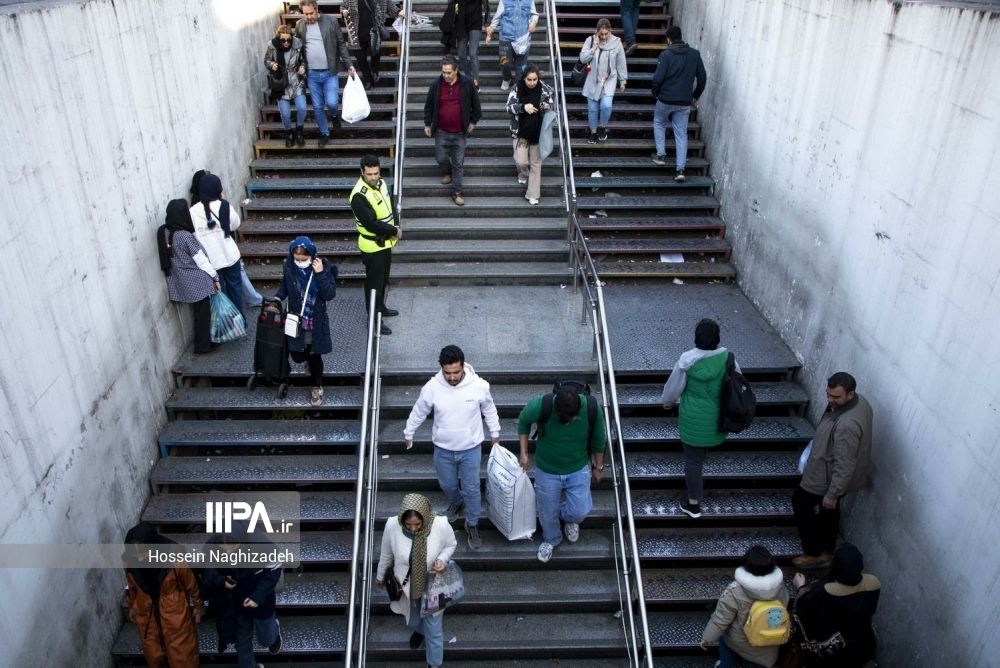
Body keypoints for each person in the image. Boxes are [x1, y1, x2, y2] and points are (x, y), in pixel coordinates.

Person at [403, 345, 501, 550]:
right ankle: (456, 500)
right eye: (448, 373)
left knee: (472, 488)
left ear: (463, 366)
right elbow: (419, 410)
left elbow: (489, 409)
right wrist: (409, 432)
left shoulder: (479, 385)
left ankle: (472, 523)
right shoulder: (432, 387)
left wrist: (495, 433)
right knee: (447, 484)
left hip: (471, 448)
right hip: (443, 449)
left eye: (456, 372)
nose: (452, 377)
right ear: (442, 369)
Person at [792, 372, 873, 568]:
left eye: (835, 397)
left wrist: (832, 493)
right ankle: (827, 549)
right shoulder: (859, 404)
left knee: (801, 502)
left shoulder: (846, 425)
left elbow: (845, 464)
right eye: (828, 394)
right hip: (831, 474)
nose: (829, 400)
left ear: (850, 394)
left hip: (825, 477)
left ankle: (814, 553)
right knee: (829, 512)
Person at [660, 318, 739, 518]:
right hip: (718, 419)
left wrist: (667, 401)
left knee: (693, 461)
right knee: (700, 454)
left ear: (696, 337)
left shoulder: (687, 360)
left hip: (693, 421)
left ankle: (693, 503)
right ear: (717, 338)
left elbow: (673, 387)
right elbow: (737, 382)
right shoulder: (728, 358)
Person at [518, 386, 606, 562]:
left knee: (580, 511)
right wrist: (523, 452)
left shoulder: (591, 408)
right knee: (546, 512)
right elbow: (523, 421)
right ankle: (551, 539)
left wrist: (599, 467)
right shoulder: (541, 405)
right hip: (547, 469)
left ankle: (569, 519)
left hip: (577, 467)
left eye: (570, 419)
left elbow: (598, 438)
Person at [376, 494, 458, 668]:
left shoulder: (441, 524)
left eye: (417, 524)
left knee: (434, 628)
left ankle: (434, 664)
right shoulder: (392, 525)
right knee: (412, 621)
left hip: (434, 585)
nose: (413, 529)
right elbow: (386, 554)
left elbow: (451, 544)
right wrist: (380, 575)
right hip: (407, 587)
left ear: (425, 518)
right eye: (408, 525)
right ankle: (422, 632)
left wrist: (442, 560)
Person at [122, 522, 203, 668]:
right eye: (136, 555)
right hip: (147, 613)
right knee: (154, 654)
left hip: (174, 612)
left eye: (144, 553)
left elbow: (191, 583)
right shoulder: (129, 561)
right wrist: (132, 606)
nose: (140, 559)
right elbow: (132, 585)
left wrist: (198, 605)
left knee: (182, 654)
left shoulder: (175, 559)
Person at [202, 529, 284, 666]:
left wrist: (257, 597)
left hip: (260, 597)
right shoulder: (211, 546)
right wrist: (221, 581)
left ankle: (274, 629)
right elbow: (208, 572)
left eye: (233, 547)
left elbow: (274, 570)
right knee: (242, 640)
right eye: (223, 548)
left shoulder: (260, 545)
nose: (228, 552)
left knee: (267, 640)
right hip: (236, 599)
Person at [273, 236, 338, 407]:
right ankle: (306, 362)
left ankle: (317, 386)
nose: (300, 262)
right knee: (297, 355)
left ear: (312, 255)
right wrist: (277, 299)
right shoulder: (289, 266)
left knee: (314, 354)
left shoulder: (324, 266)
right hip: (295, 320)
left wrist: (321, 273)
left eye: (304, 259)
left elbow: (329, 294)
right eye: (297, 259)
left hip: (314, 321)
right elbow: (284, 287)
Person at [700, 545, 790, 668]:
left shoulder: (735, 590)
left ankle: (725, 665)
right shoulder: (780, 587)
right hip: (770, 639)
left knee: (724, 636)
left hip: (742, 641)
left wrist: (708, 638)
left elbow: (721, 618)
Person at [791, 543, 881, 667]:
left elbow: (802, 610)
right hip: (864, 646)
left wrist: (801, 587)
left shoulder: (823, 592)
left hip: (834, 653)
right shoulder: (873, 584)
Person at [190, 170, 261, 309]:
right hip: (230, 257)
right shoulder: (224, 205)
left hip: (211, 262)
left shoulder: (192, 211)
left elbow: (194, 235)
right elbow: (235, 224)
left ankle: (228, 325)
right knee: (236, 290)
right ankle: (240, 322)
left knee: (221, 292)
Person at [157, 199, 219, 355]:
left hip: (180, 281)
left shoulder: (164, 232)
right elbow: (201, 260)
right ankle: (203, 346)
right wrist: (215, 277)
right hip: (198, 282)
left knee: (199, 315)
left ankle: (204, 343)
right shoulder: (184, 236)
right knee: (203, 315)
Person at [349, 155, 401, 334]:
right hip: (372, 245)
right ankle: (374, 320)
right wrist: (394, 231)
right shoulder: (358, 195)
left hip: (385, 242)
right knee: (373, 284)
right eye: (369, 174)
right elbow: (371, 223)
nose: (373, 177)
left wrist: (396, 225)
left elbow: (391, 206)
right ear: (362, 172)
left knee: (383, 280)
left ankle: (381, 308)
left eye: (376, 173)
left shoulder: (382, 183)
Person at [295, 0, 357, 147]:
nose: (308, 16)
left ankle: (335, 115)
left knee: (332, 103)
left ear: (317, 10)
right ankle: (324, 133)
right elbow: (297, 49)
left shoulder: (330, 21)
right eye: (305, 14)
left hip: (330, 71)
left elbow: (341, 44)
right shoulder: (300, 25)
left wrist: (349, 64)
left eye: (311, 13)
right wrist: (300, 66)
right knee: (317, 106)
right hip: (312, 74)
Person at [423, 55, 482, 207]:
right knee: (440, 158)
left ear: (456, 70)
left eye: (449, 72)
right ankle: (446, 171)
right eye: (443, 72)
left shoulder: (467, 84)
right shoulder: (436, 85)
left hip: (460, 132)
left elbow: (477, 106)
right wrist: (427, 124)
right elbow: (429, 105)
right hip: (441, 130)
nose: (446, 76)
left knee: (458, 163)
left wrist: (473, 122)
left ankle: (457, 192)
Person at [650, 25, 706, 181]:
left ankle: (661, 155)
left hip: (666, 99)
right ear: (681, 36)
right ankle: (680, 170)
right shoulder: (695, 54)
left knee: (659, 122)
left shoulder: (666, 55)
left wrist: (655, 93)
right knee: (681, 133)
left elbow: (657, 79)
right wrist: (695, 95)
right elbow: (702, 78)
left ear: (668, 39)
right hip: (684, 101)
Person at [505, 63, 553, 206]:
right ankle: (523, 173)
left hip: (538, 133)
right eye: (529, 80)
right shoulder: (517, 88)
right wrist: (523, 107)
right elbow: (508, 107)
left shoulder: (545, 89)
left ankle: (533, 195)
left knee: (536, 164)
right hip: (520, 132)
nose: (532, 83)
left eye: (534, 80)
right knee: (521, 161)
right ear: (524, 79)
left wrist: (545, 106)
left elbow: (551, 104)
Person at [579, 18, 627, 144]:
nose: (604, 36)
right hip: (592, 79)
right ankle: (593, 133)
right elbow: (583, 59)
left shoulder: (617, 42)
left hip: (609, 80)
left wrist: (623, 80)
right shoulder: (590, 41)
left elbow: (621, 63)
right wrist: (594, 48)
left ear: (610, 30)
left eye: (606, 33)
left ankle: (602, 126)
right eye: (601, 34)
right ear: (597, 31)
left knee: (606, 105)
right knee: (593, 109)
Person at [340, 0, 402, 89]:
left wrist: (399, 11)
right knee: (360, 58)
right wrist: (343, 12)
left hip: (374, 30)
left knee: (375, 52)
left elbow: (389, 5)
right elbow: (343, 7)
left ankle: (375, 70)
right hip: (356, 33)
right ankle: (369, 80)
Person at [265, 24, 308, 147]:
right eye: (283, 40)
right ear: (278, 38)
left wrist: (302, 67)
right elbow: (266, 60)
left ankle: (299, 130)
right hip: (280, 83)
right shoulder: (272, 46)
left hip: (296, 81)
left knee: (302, 108)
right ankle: (289, 133)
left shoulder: (298, 44)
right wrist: (271, 65)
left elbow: (304, 60)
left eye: (288, 39)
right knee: (285, 113)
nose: (286, 42)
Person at [485, 0, 538, 91]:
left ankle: (519, 87)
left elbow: (534, 14)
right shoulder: (504, 1)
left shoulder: (529, 1)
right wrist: (490, 32)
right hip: (506, 38)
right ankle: (506, 78)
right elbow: (497, 17)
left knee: (521, 67)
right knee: (504, 63)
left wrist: (533, 22)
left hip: (522, 39)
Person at [439, 0, 490, 88]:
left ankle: (476, 81)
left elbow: (486, 6)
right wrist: (453, 8)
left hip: (475, 22)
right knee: (461, 53)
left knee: (473, 53)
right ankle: (469, 78)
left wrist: (487, 24)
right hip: (461, 22)